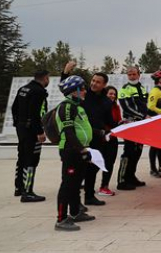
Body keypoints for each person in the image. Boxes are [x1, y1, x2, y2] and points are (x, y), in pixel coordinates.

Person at [61, 62, 112, 206]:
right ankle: (75, 204)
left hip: (97, 138)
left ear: (104, 85)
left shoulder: (107, 101)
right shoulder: (83, 94)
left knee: (93, 169)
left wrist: (117, 128)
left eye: (98, 82)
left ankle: (89, 196)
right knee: (78, 172)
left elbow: (109, 121)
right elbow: (66, 87)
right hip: (80, 140)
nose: (94, 84)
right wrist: (65, 72)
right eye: (93, 80)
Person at [54, 75, 96, 231]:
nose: (85, 91)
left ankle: (76, 212)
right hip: (71, 151)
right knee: (67, 184)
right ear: (74, 91)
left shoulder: (78, 106)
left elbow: (84, 129)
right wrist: (82, 150)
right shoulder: (66, 107)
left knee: (77, 183)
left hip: (80, 150)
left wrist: (103, 133)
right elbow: (69, 132)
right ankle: (61, 219)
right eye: (82, 88)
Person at [12, 69, 50, 202]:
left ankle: (19, 187)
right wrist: (39, 131)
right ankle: (28, 192)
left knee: (22, 156)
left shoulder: (24, 88)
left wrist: (18, 124)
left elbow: (14, 108)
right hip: (32, 130)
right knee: (32, 160)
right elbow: (35, 113)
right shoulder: (38, 91)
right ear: (45, 78)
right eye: (48, 79)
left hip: (22, 128)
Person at [116, 66, 149, 191]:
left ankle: (131, 176)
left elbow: (145, 106)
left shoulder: (141, 88)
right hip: (131, 124)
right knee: (128, 152)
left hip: (142, 125)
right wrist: (142, 116)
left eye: (134, 74)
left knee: (137, 151)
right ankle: (122, 180)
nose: (132, 76)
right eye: (129, 74)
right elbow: (126, 107)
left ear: (139, 74)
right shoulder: (125, 89)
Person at [98, 86, 121, 197]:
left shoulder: (116, 107)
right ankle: (86, 183)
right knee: (96, 162)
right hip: (101, 138)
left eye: (114, 94)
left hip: (112, 137)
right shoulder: (101, 106)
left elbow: (117, 121)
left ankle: (104, 186)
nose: (112, 96)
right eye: (110, 94)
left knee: (109, 162)